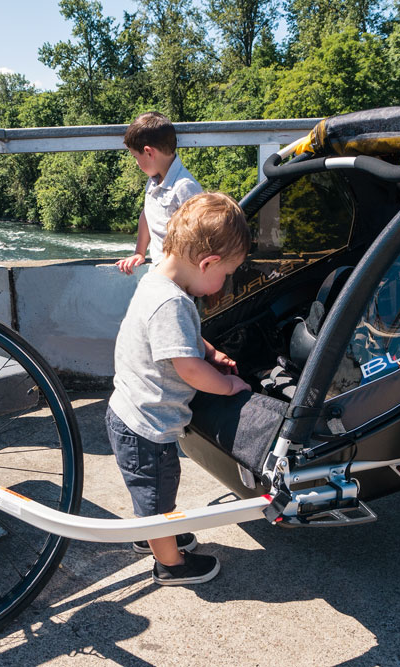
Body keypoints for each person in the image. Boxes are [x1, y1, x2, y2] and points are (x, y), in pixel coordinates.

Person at [107, 192, 251, 585]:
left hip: (133, 414)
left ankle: (155, 538)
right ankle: (169, 564)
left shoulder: (158, 280)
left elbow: (183, 342)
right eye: (226, 274)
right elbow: (188, 368)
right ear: (207, 263)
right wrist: (225, 384)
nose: (223, 283)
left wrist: (212, 351)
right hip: (145, 428)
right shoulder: (171, 303)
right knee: (157, 496)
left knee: (151, 491)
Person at [116, 112, 204, 275]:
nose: (136, 163)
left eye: (136, 156)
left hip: (179, 276)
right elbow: (147, 214)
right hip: (159, 270)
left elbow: (198, 238)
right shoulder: (153, 181)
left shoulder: (185, 187)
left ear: (149, 152)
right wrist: (139, 253)